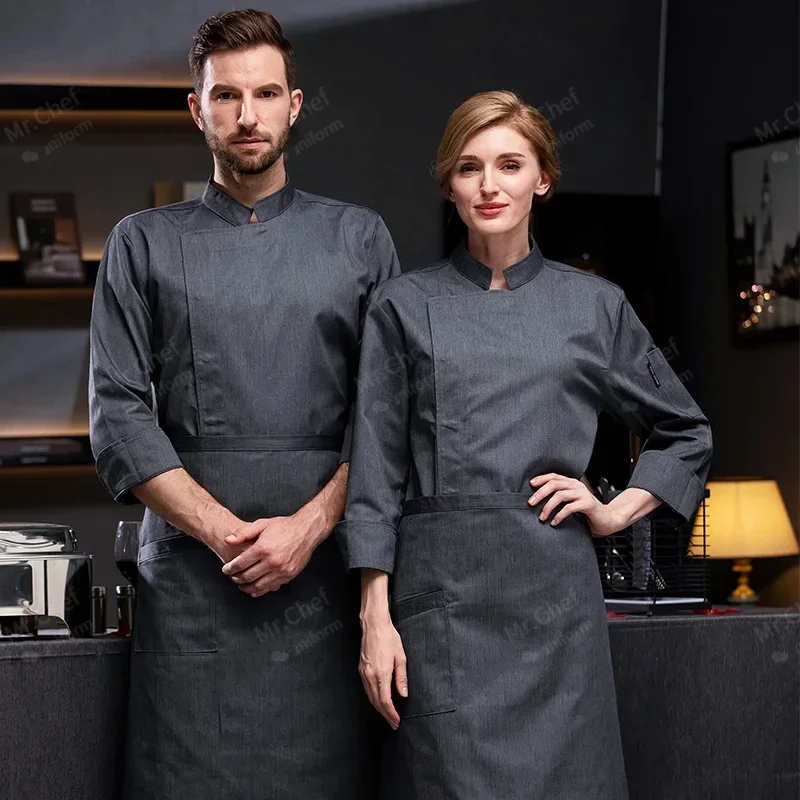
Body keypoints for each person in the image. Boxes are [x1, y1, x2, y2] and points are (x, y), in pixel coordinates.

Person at [334, 90, 713, 799]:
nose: (489, 185)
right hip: (439, 612)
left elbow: (686, 429)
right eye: (470, 167)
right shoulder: (402, 307)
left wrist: (612, 510)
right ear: (449, 183)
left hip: (556, 613)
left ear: (542, 178)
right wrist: (373, 618)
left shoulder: (593, 306)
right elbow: (376, 476)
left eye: (510, 165)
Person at [89, 10, 399, 800]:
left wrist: (309, 528)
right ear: (198, 110)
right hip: (195, 590)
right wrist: (231, 536)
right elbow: (120, 419)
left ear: (296, 105)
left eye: (266, 94)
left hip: (326, 590)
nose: (248, 115)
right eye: (226, 96)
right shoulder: (141, 242)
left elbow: (389, 419)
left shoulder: (361, 241)